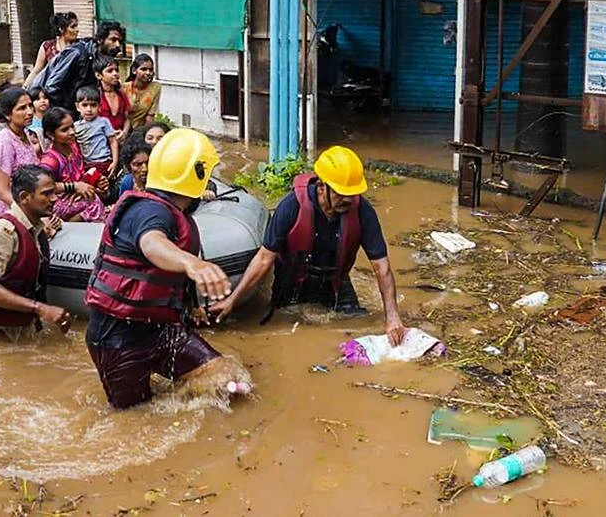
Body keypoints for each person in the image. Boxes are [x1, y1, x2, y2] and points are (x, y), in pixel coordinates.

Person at [84, 128, 234, 409]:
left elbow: (168, 278)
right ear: (197, 173)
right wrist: (193, 263)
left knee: (224, 379)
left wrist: (192, 307)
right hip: (118, 334)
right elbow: (152, 244)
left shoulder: (173, 211)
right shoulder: (149, 211)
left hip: (159, 328)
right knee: (134, 415)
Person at [208, 146, 406, 346]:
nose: (348, 199)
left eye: (352, 193)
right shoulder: (291, 206)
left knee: (356, 324)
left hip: (335, 281)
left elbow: (381, 267)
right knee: (284, 331)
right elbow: (264, 258)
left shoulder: (363, 211)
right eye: (341, 193)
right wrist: (232, 301)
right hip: (292, 280)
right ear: (321, 187)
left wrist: (392, 317)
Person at [0, 165, 71, 336]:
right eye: (47, 194)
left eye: (54, 192)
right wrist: (40, 309)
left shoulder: (36, 230)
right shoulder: (2, 231)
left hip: (19, 328)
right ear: (24, 197)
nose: (55, 198)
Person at [32, 20, 126, 111]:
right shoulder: (77, 53)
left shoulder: (101, 58)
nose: (118, 45)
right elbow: (52, 87)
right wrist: (63, 113)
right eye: (113, 40)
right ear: (100, 40)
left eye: (120, 41)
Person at [39, 107, 106, 222]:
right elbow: (43, 186)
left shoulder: (74, 148)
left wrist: (97, 182)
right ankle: (67, 226)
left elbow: (79, 176)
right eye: (65, 130)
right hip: (58, 201)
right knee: (92, 202)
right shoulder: (50, 160)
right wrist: (74, 187)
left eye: (72, 127)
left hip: (76, 194)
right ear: (50, 134)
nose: (72, 132)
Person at [0, 87, 40, 215]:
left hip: (28, 202)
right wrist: (31, 214)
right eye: (22, 108)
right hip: (10, 211)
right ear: (8, 114)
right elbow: (2, 192)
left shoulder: (24, 134)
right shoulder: (4, 141)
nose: (30, 112)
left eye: (30, 106)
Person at [23, 12, 78, 89]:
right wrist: (24, 88)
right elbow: (36, 71)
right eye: (73, 27)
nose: (77, 30)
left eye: (76, 26)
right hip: (51, 90)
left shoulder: (78, 48)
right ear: (61, 29)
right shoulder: (48, 47)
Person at [73, 85, 118, 180]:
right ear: (77, 107)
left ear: (99, 106)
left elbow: (113, 141)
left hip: (103, 162)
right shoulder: (75, 126)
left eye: (93, 105)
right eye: (85, 105)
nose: (89, 109)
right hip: (86, 164)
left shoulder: (103, 122)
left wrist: (115, 162)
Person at [123, 53, 162, 130]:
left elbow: (150, 116)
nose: (148, 73)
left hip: (140, 130)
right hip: (122, 129)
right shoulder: (124, 88)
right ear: (134, 70)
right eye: (143, 69)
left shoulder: (155, 88)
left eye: (150, 70)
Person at [95, 57, 131, 139]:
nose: (115, 74)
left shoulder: (121, 94)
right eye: (110, 71)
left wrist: (124, 133)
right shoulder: (95, 96)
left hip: (121, 138)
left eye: (116, 70)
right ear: (98, 75)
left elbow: (127, 118)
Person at [25, 88, 50, 156]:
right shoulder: (30, 121)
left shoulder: (52, 118)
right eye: (38, 99)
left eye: (45, 98)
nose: (43, 101)